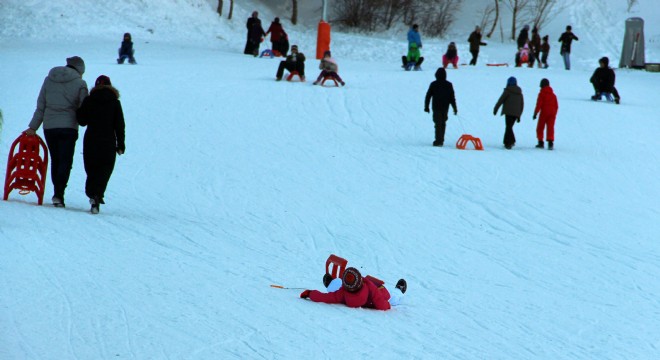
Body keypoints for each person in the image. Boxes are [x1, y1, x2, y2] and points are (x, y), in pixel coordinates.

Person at [25, 56, 88, 207]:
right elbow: (84, 108)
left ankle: (57, 192)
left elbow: (41, 105)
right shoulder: (80, 83)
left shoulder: (49, 80)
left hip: (50, 127)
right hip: (69, 127)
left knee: (56, 160)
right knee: (66, 161)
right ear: (80, 69)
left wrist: (33, 127)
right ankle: (59, 194)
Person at [76, 75, 126, 214]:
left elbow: (82, 121)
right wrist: (121, 144)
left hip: (91, 139)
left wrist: (79, 108)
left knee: (91, 169)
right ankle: (97, 195)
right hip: (108, 141)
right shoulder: (115, 102)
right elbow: (119, 125)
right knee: (105, 169)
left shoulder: (89, 100)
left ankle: (92, 193)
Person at [300, 267, 407, 311]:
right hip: (379, 294)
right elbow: (381, 304)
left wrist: (310, 293)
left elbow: (325, 297)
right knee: (391, 297)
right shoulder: (369, 286)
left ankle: (331, 284)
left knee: (336, 286)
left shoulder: (343, 293)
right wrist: (387, 305)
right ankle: (398, 291)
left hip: (353, 293)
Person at [424, 68, 457, 147]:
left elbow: (428, 96)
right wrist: (454, 108)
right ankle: (441, 139)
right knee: (443, 123)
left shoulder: (433, 84)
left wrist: (426, 106)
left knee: (438, 123)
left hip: (436, 106)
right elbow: (452, 97)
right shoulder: (449, 84)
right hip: (445, 107)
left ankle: (438, 140)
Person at [493, 76, 524, 150]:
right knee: (509, 126)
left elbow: (501, 100)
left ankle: (508, 143)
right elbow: (521, 105)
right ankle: (509, 141)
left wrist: (495, 109)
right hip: (516, 113)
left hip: (508, 112)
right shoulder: (520, 93)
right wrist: (519, 115)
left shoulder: (507, 91)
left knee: (508, 127)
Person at [533, 78, 558, 150]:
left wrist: (535, 113)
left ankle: (540, 142)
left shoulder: (541, 94)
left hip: (544, 113)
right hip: (552, 113)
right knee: (550, 128)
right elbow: (556, 106)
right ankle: (550, 143)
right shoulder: (553, 95)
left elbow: (539, 104)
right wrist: (554, 113)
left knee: (540, 127)